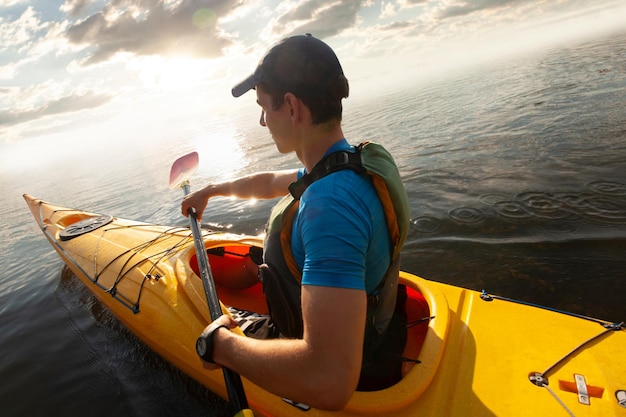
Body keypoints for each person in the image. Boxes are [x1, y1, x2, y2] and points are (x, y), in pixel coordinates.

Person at [182, 34, 409, 410]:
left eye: (263, 107)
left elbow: (330, 382)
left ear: (290, 107)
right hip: (378, 330)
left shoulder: (329, 208)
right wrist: (212, 190)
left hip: (351, 368)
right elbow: (272, 182)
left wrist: (223, 347)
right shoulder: (354, 162)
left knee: (206, 324)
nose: (261, 121)